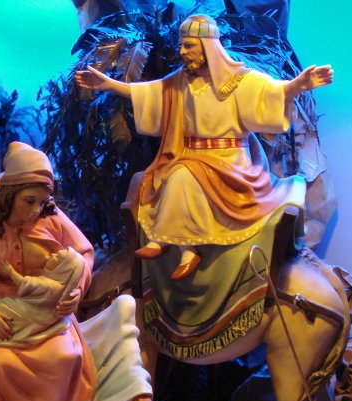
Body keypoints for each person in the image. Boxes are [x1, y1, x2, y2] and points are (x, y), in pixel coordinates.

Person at [75, 14, 333, 280]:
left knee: (183, 175)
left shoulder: (239, 81)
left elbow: (271, 92)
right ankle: (172, 243)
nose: (182, 51)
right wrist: (110, 85)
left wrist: (298, 85)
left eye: (188, 45)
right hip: (190, 155)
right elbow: (149, 93)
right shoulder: (181, 81)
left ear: (207, 47)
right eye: (181, 45)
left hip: (229, 160)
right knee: (168, 176)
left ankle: (184, 249)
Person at [0, 141, 96, 401]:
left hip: (49, 317)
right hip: (4, 321)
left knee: (66, 357)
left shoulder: (51, 218)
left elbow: (84, 253)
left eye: (41, 202)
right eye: (29, 201)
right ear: (10, 193)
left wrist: (77, 289)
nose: (35, 210)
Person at [0, 246, 85, 348]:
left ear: (63, 269)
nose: (51, 255)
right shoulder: (53, 284)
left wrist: (77, 290)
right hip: (13, 309)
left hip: (38, 319)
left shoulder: (51, 286)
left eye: (57, 257)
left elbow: (83, 257)